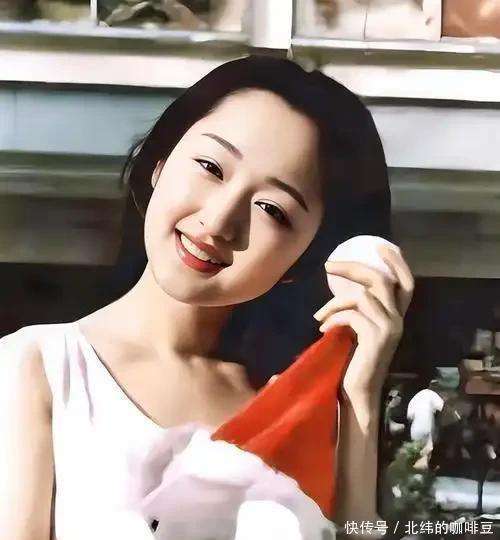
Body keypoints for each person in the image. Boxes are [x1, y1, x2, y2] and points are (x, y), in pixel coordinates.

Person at [0, 55, 414, 539]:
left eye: (272, 210)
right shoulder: (39, 366)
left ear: (305, 258)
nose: (218, 221)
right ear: (159, 165)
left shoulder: (302, 406)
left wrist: (359, 397)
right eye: (211, 167)